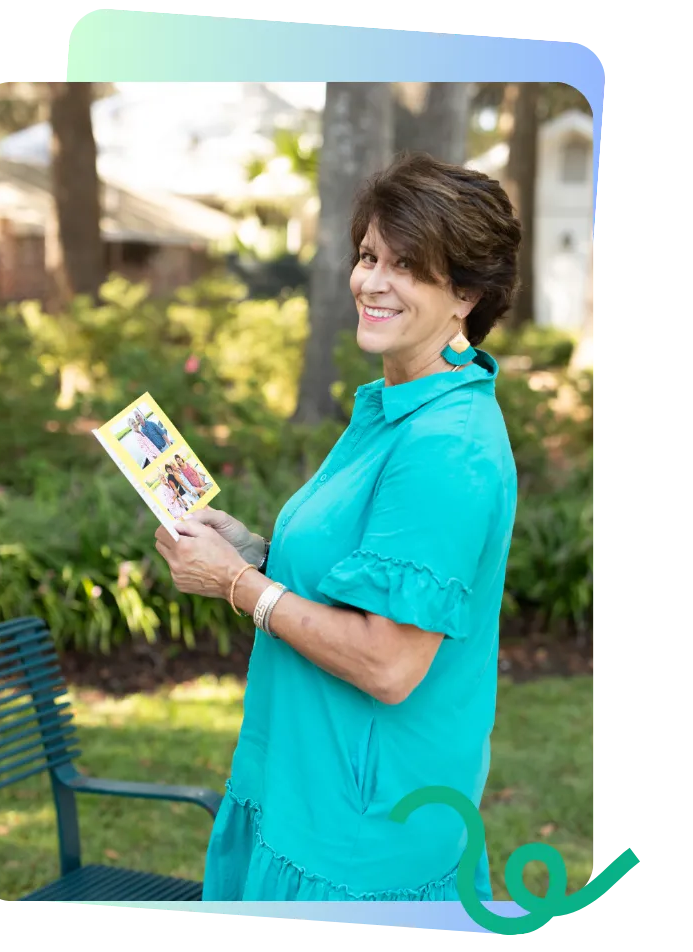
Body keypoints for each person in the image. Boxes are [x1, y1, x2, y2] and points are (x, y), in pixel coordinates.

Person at [153, 152, 522, 902]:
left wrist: (238, 584)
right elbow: (361, 577)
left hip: (362, 835)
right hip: (304, 784)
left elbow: (388, 664)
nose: (372, 282)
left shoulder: (445, 448)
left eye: (408, 266)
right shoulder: (397, 408)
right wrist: (258, 553)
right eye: (369, 255)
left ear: (466, 293)